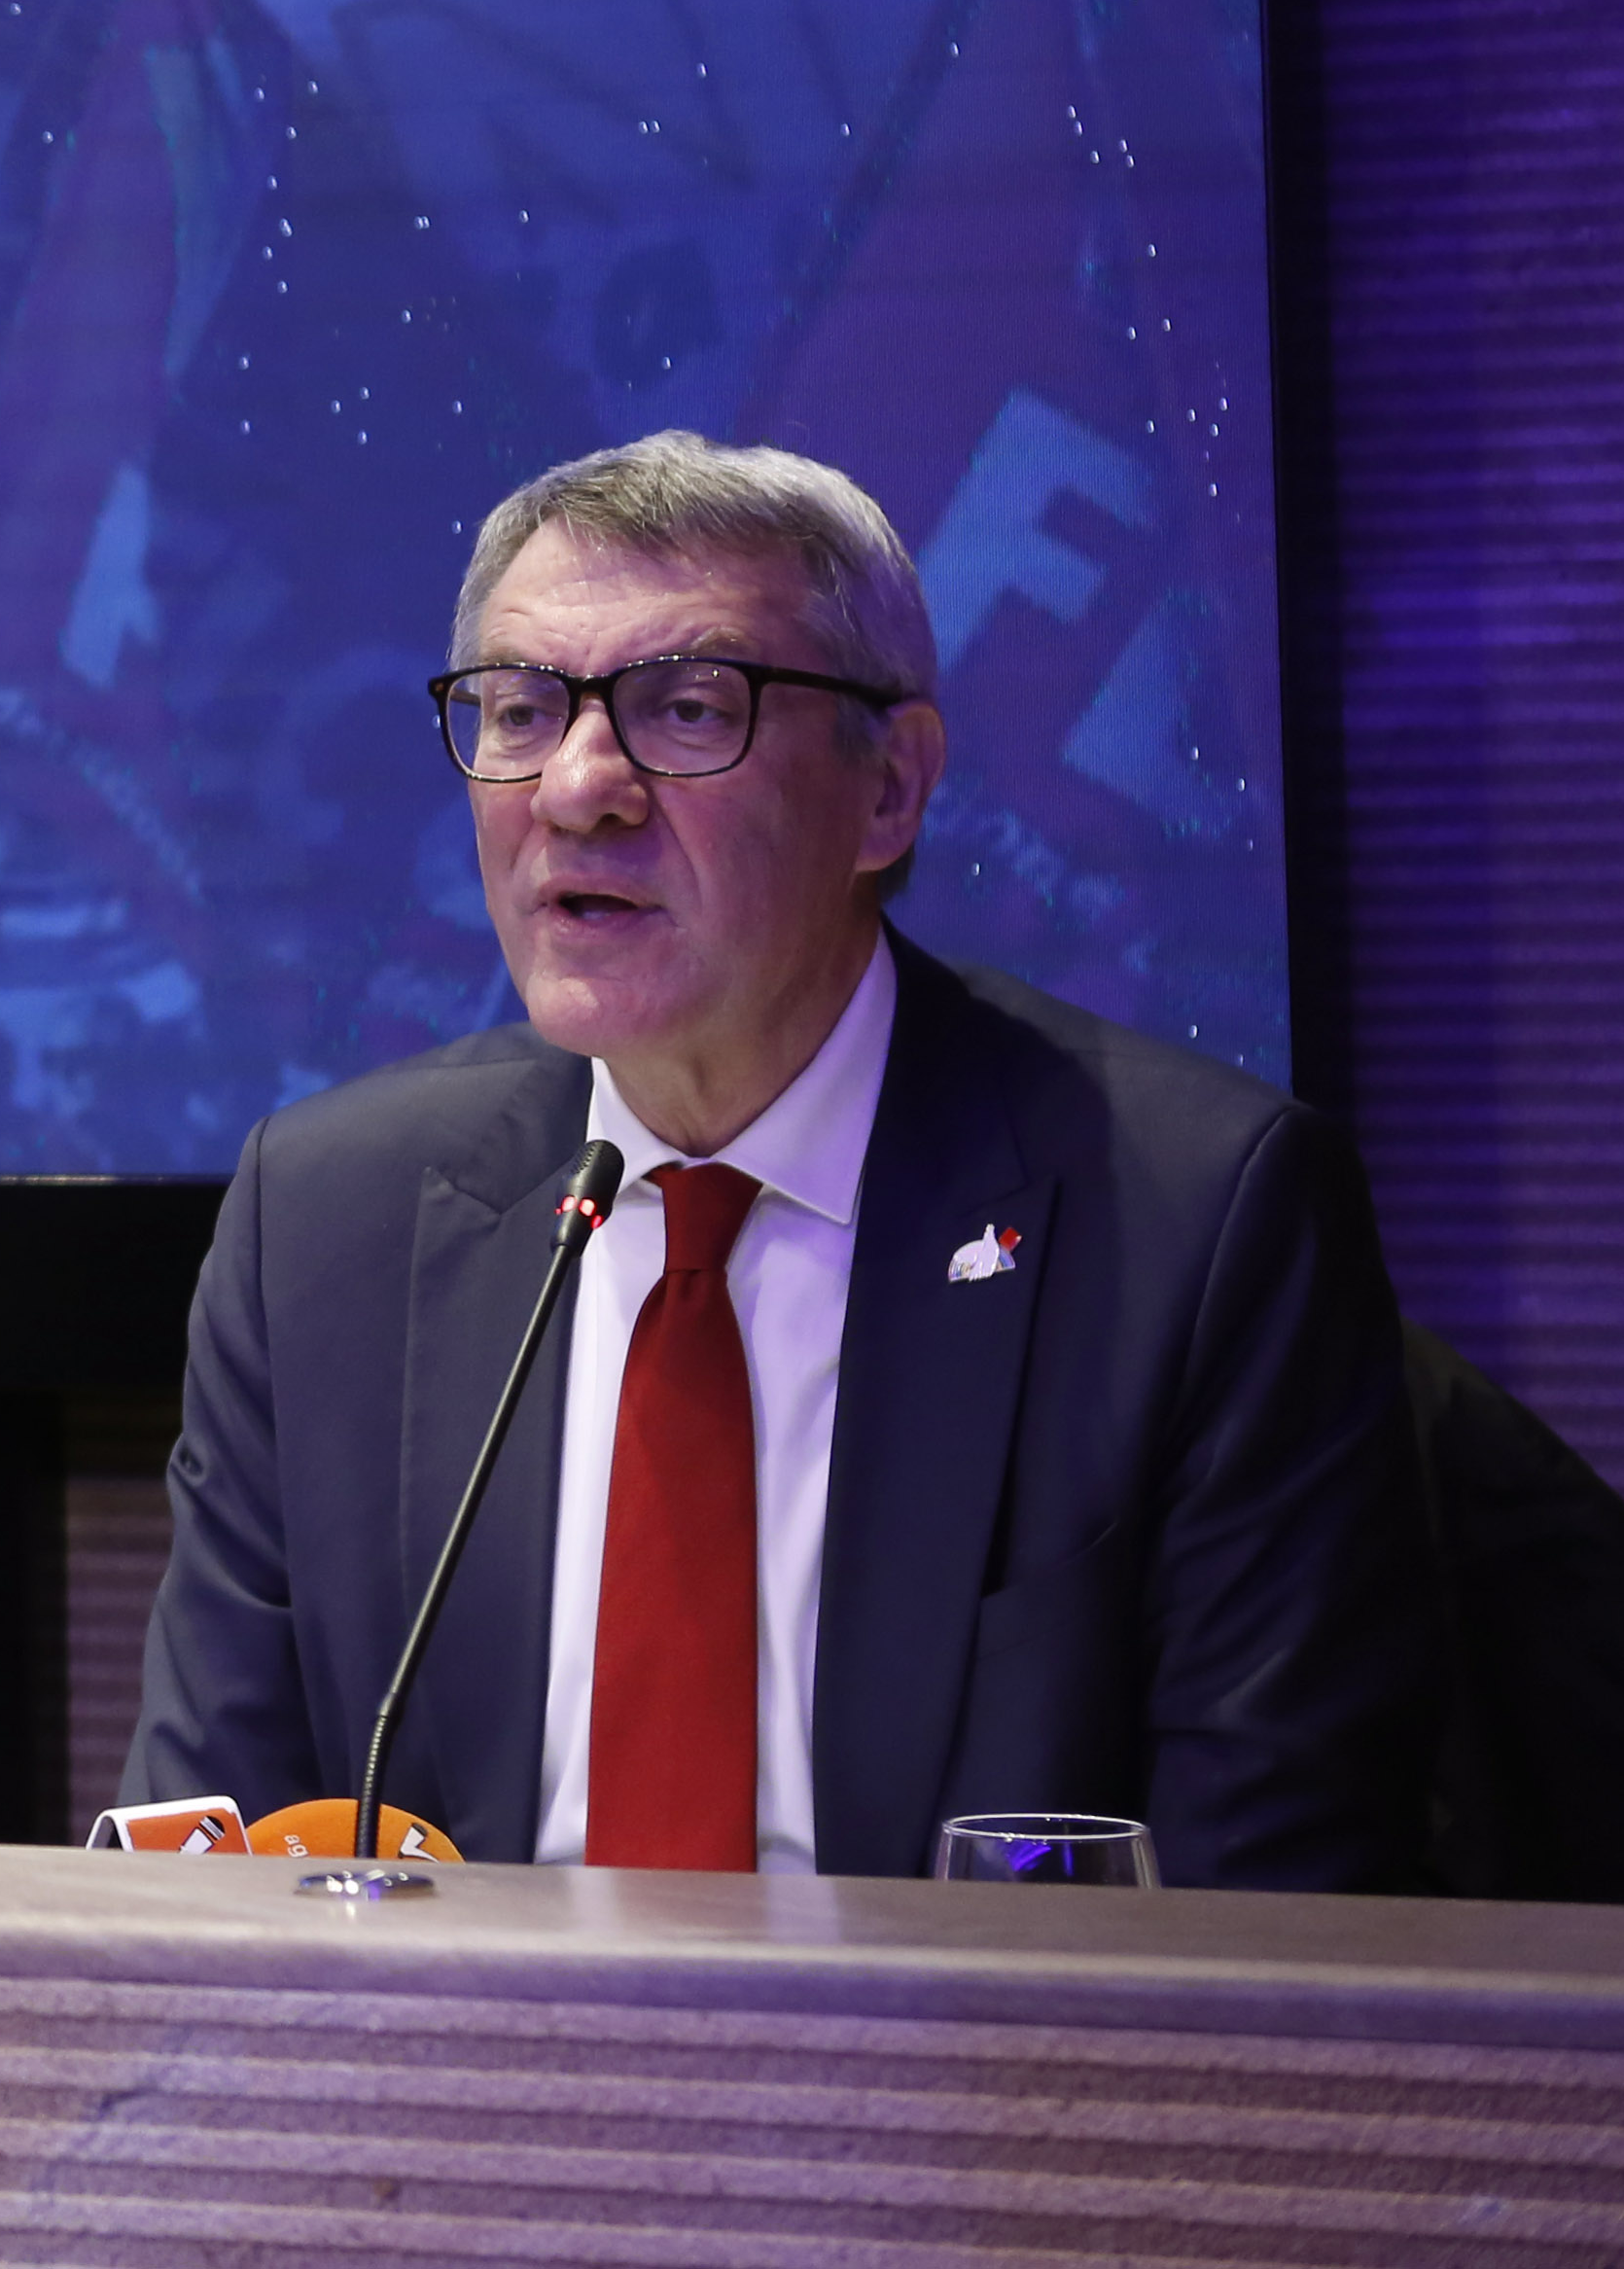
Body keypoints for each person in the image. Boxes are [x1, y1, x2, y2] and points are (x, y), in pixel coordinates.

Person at [129, 433, 1433, 1884]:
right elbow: (202, 1864)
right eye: (520, 711)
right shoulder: (326, 1225)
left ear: (890, 789)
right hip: (452, 2032)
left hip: (959, 2033)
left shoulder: (1195, 1223)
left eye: (687, 710)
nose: (578, 787)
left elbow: (1263, 1912)